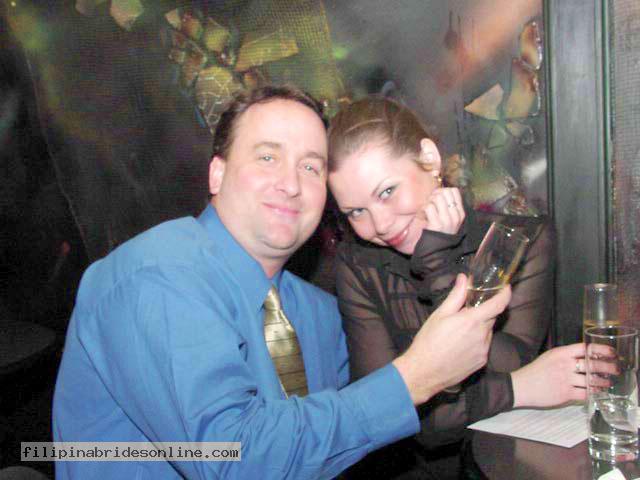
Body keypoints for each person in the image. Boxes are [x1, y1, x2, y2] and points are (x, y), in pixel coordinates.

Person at [52, 86, 511, 480]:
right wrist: (413, 378)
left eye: (310, 167)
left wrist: (438, 258)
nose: (291, 183)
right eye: (268, 156)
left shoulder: (316, 312)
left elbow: (362, 426)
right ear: (217, 173)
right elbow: (232, 460)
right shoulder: (158, 277)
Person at [326, 96, 588, 478]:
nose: (379, 224)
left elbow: (508, 361)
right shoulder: (360, 265)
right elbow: (399, 423)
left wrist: (438, 266)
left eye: (386, 192)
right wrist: (518, 388)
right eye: (356, 212)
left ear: (430, 160)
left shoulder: (521, 240)